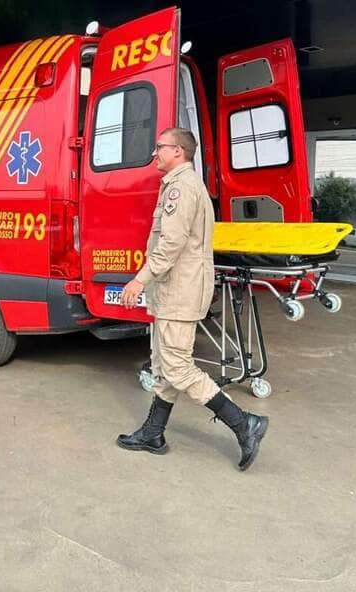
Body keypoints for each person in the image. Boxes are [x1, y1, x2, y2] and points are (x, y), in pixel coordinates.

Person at [117, 127, 269, 471]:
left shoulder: (181, 189)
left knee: (178, 367)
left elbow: (170, 245)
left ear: (179, 151)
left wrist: (139, 281)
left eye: (160, 147)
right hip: (174, 289)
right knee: (165, 365)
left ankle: (245, 423)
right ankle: (153, 433)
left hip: (180, 290)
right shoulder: (177, 185)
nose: (155, 153)